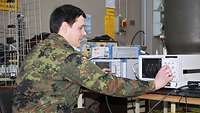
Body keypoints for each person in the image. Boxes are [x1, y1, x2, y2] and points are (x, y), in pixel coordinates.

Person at [12, 4, 173, 113]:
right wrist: (154, 83)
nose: (84, 34)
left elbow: (52, 83)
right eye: (80, 28)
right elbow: (110, 85)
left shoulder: (38, 49)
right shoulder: (68, 57)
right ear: (64, 27)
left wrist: (91, 75)